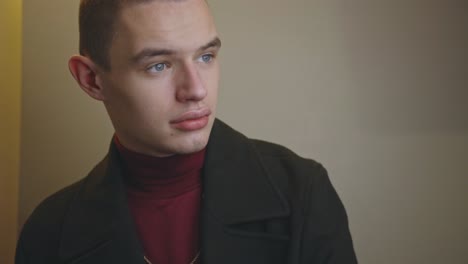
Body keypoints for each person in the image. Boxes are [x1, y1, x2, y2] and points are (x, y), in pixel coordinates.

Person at [16, 0, 358, 263]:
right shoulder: (49, 232)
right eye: (159, 65)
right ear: (91, 79)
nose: (196, 90)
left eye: (206, 56)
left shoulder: (303, 193)